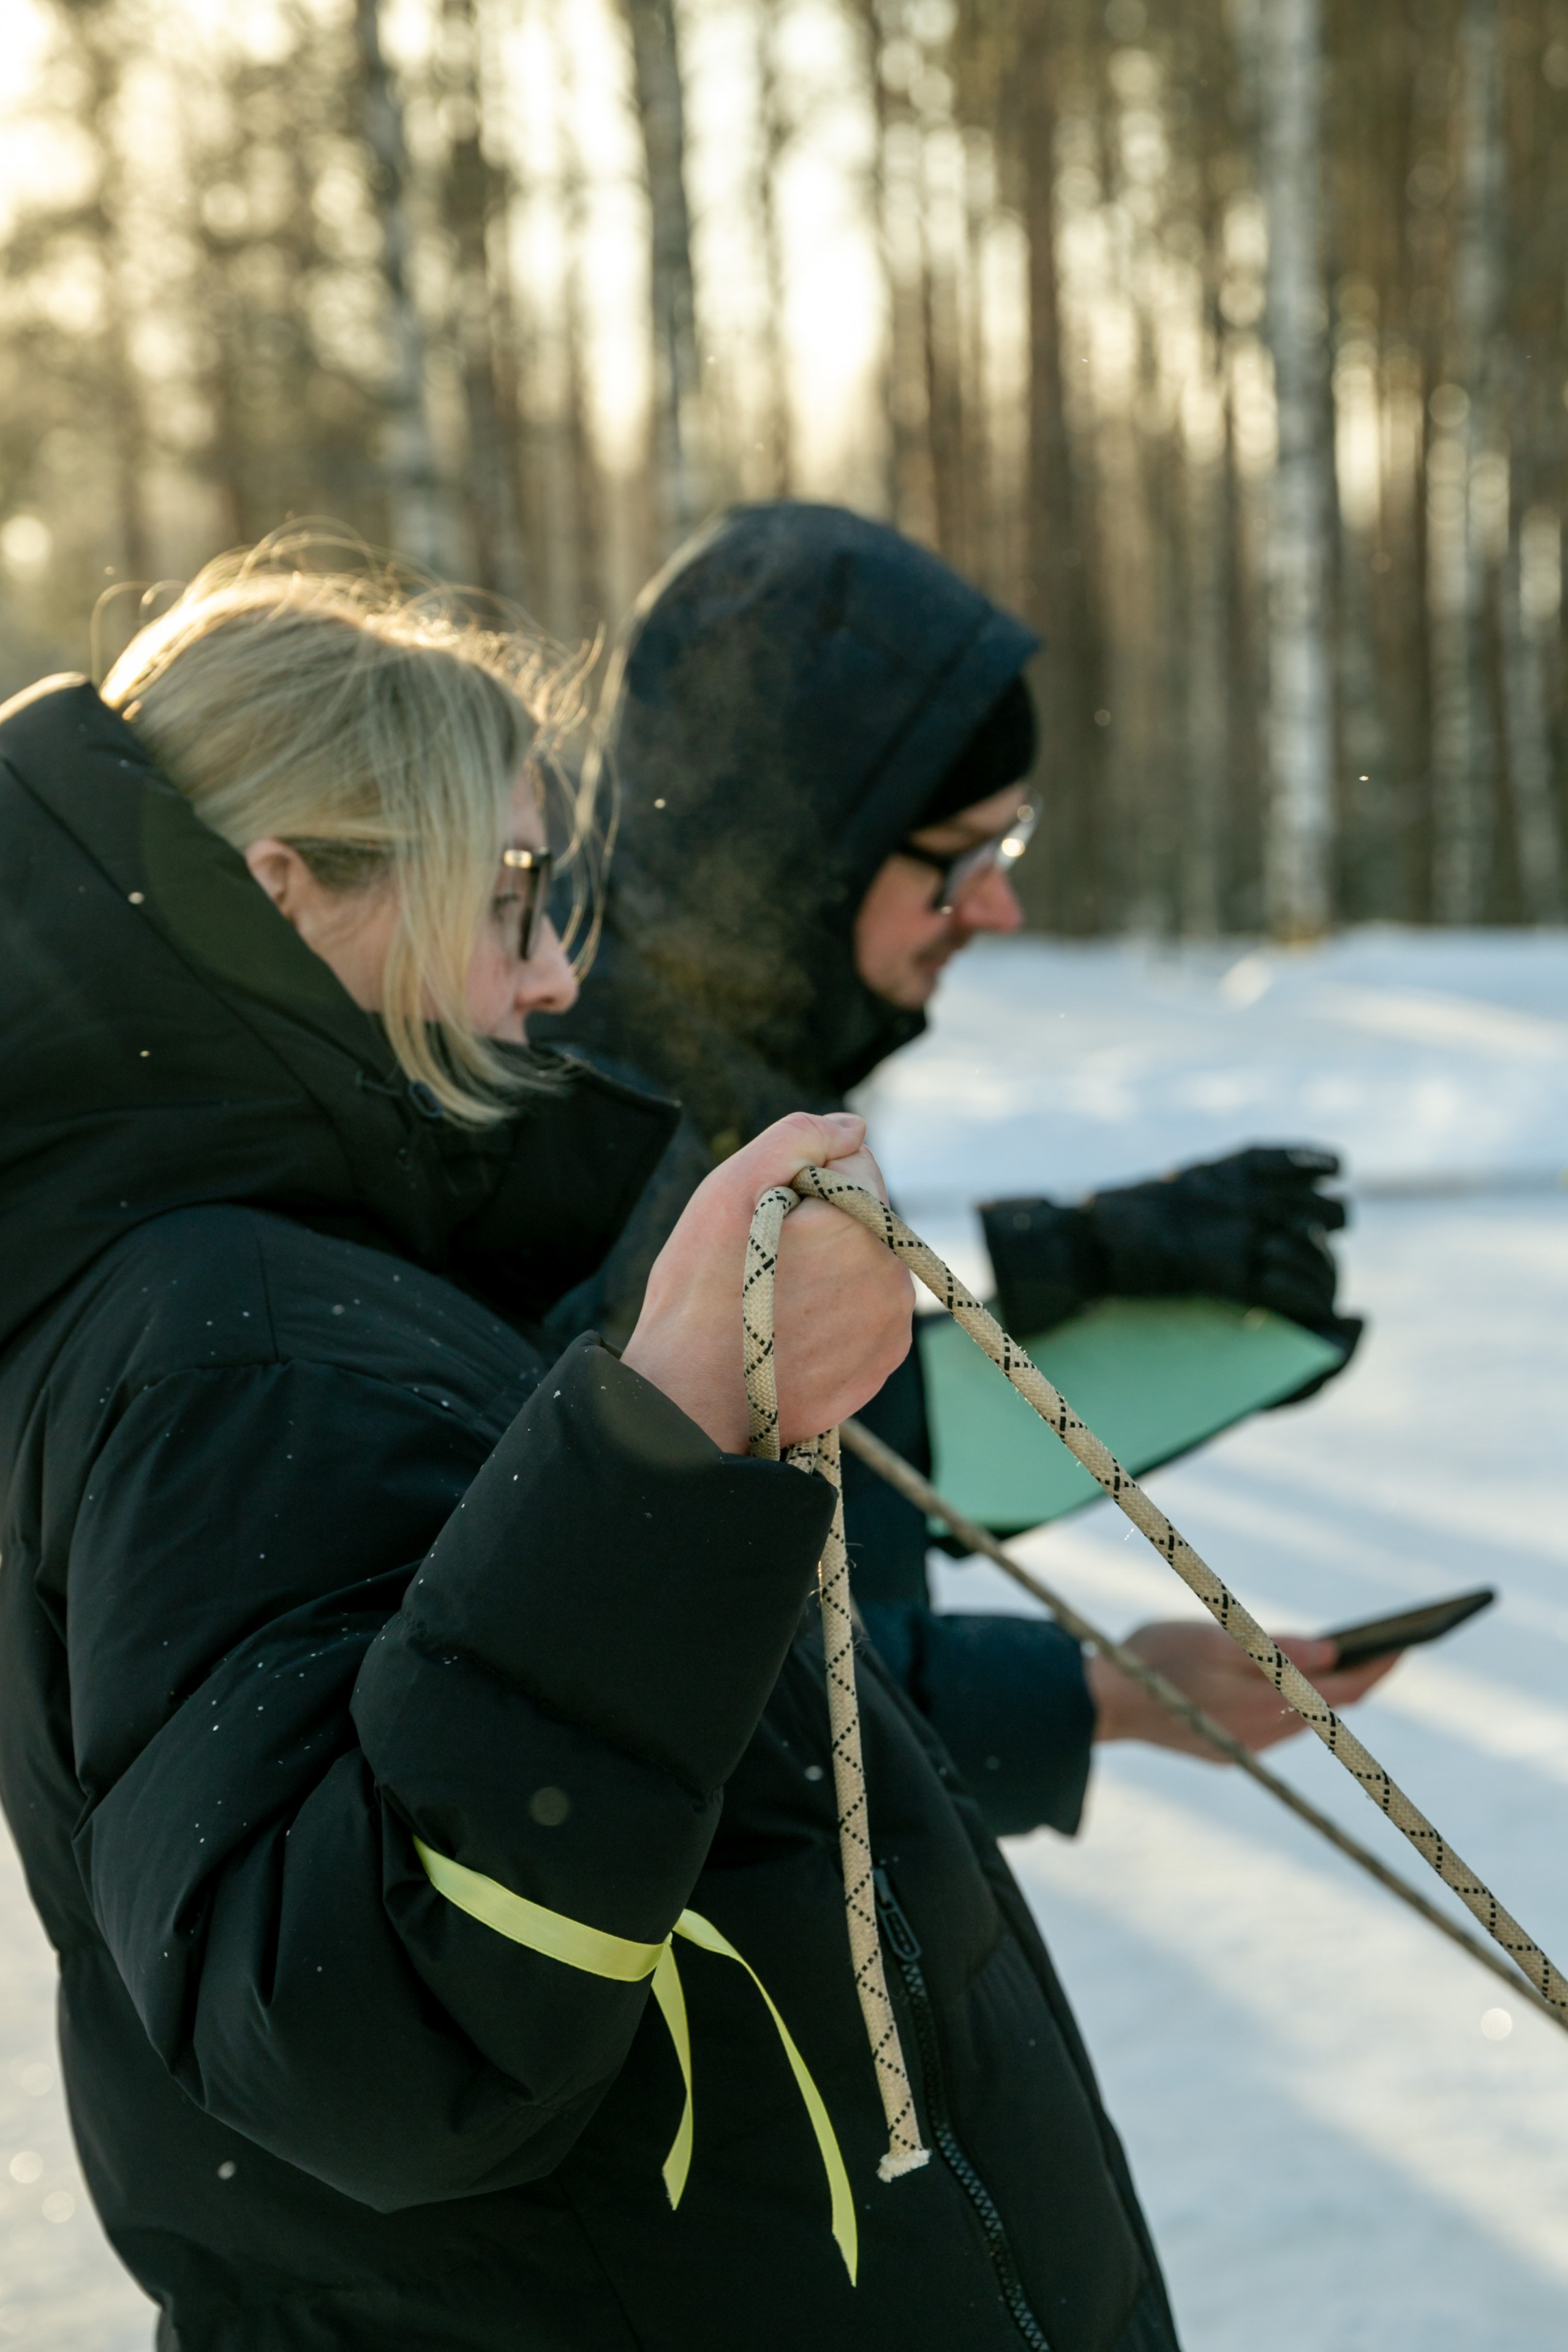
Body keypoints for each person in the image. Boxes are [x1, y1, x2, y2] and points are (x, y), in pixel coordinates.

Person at [0, 542, 1232, 2352]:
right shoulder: (241, 1346)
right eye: (510, 892)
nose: (555, 971)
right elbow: (364, 2029)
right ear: (289, 891)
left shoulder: (301, 1280)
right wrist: (667, 1443)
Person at [539, 500, 1379, 1833]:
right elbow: (686, 1711)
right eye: (960, 858)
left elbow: (837, 1472)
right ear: (804, 852)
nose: (998, 904)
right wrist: (1093, 1695)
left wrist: (1089, 1282)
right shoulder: (610, 1145)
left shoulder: (722, 1083)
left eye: (1011, 841)